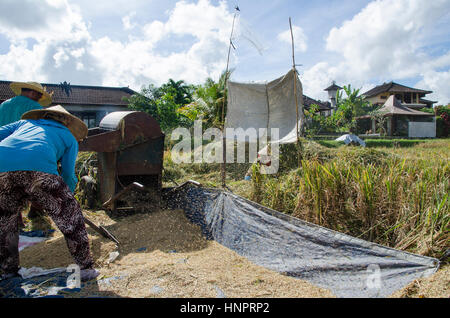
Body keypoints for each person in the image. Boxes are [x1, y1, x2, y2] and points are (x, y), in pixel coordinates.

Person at [0, 105, 98, 281]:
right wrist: (68, 196)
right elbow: (68, 173)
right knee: (70, 217)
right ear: (67, 121)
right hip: (40, 171)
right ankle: (85, 267)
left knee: (6, 221)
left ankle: (8, 270)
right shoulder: (69, 137)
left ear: (44, 115)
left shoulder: (25, 123)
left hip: (2, 169)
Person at [0, 81, 53, 222]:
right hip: (27, 153)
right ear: (32, 92)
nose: (38, 98)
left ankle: (14, 219)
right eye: (38, 95)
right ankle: (35, 212)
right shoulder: (35, 108)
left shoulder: (4, 105)